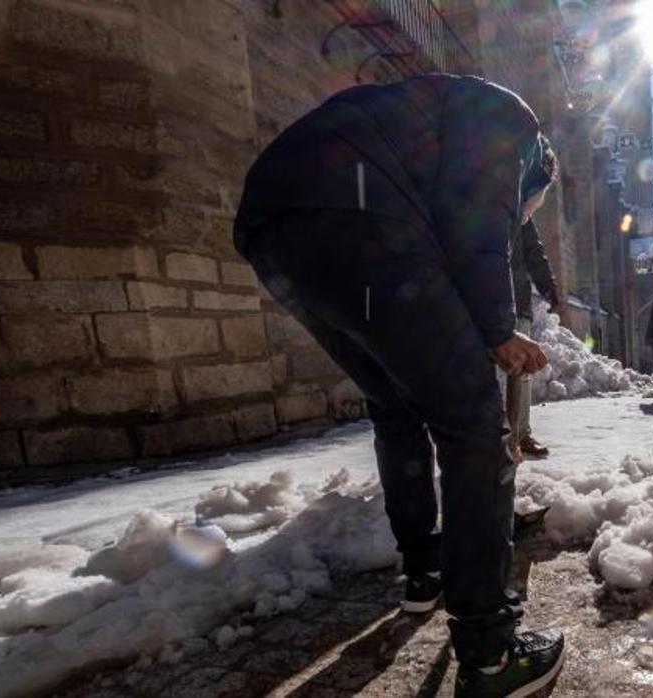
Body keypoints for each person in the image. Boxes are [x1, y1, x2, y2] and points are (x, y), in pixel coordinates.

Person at [234, 74, 565, 695]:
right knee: (474, 429)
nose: (522, 218)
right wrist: (497, 331)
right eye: (528, 209)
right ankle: (492, 653)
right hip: (359, 213)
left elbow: (451, 246)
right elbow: (478, 226)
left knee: (394, 403)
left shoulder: (433, 121)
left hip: (273, 231)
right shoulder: (512, 122)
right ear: (539, 173)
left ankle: (425, 571)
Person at [506, 219, 560, 460]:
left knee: (522, 369)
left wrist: (548, 285)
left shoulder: (522, 212)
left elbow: (533, 250)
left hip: (518, 299)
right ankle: (495, 436)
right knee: (493, 372)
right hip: (485, 300)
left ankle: (520, 434)